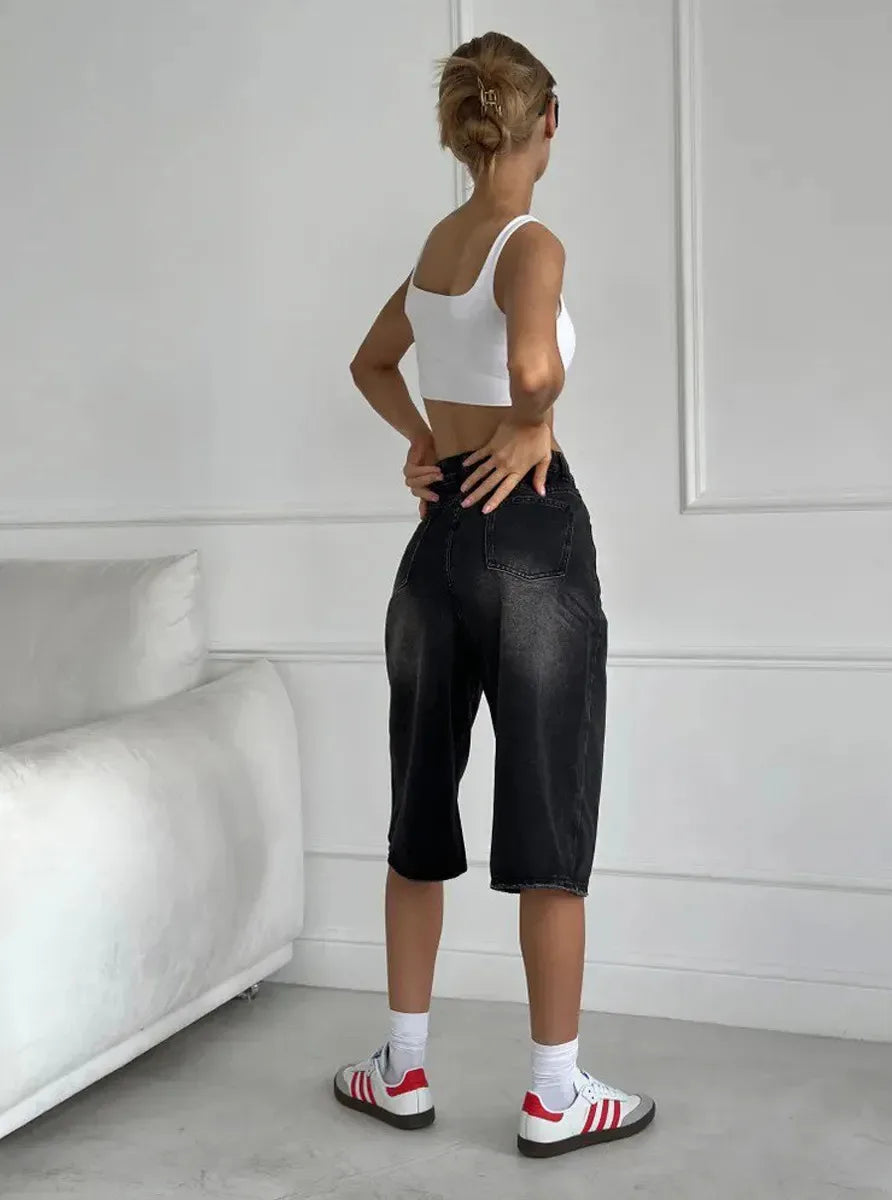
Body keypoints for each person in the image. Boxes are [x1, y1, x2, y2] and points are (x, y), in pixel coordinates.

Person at [334, 30, 655, 1158]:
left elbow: (372, 360)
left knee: (419, 806)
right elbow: (532, 368)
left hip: (438, 549)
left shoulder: (438, 248)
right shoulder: (533, 243)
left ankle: (403, 1069)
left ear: (463, 131)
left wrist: (424, 439)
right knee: (546, 811)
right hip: (530, 540)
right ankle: (554, 1094)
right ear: (547, 123)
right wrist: (536, 418)